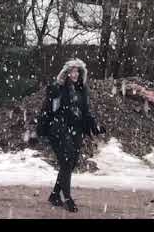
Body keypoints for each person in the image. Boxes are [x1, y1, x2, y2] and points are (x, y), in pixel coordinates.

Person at [36, 58, 105, 212]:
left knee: (71, 163)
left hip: (76, 130)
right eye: (71, 71)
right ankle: (67, 198)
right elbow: (48, 109)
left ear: (81, 73)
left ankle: (54, 195)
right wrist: (41, 129)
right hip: (59, 129)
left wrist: (95, 127)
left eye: (77, 71)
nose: (74, 74)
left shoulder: (83, 89)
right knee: (66, 161)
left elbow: (86, 112)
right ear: (66, 73)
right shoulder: (59, 88)